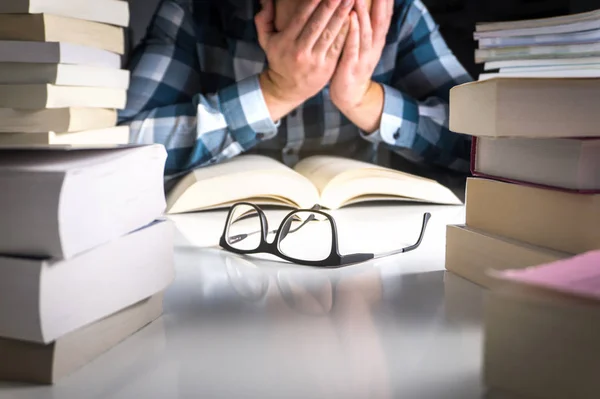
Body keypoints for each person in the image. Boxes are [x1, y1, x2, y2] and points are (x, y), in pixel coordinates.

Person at [119, 0, 473, 184]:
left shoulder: (399, 15)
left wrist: (366, 100)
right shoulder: (193, 11)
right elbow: (119, 147)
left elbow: (486, 145)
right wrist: (274, 92)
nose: (333, 19)